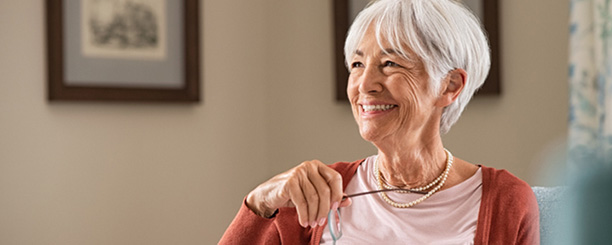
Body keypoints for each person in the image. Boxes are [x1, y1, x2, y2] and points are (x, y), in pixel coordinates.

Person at [219, 0, 539, 244]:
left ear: (450, 85)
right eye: (357, 63)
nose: (365, 84)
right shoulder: (313, 195)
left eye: (389, 63)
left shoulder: (506, 201)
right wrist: (260, 201)